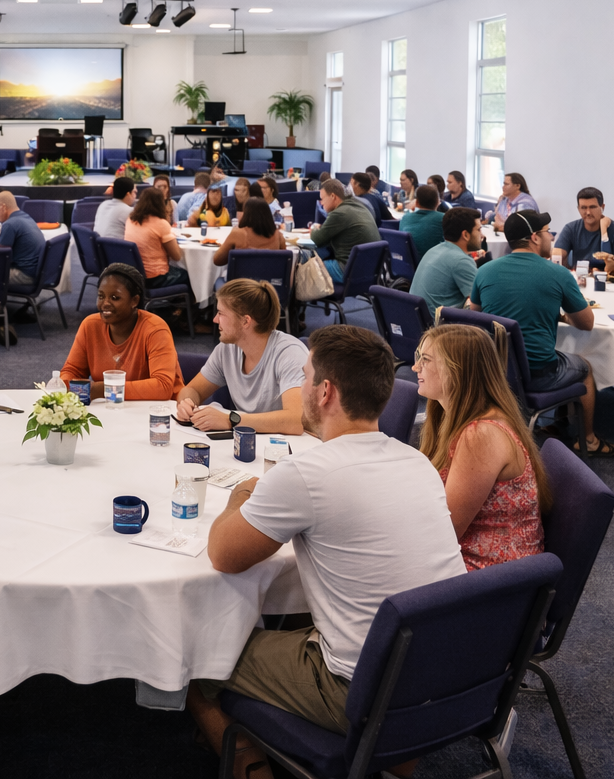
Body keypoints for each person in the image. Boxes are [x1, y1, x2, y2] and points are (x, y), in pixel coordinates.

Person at [186, 326, 465, 774]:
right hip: (446, 679)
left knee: (198, 651)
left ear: (326, 391)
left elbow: (223, 554)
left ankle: (251, 766)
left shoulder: (306, 473)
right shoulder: (417, 462)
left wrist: (240, 497)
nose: (300, 386)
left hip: (359, 690)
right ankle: (394, 761)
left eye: (304, 376)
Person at [470, 210, 610, 456]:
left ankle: (559, 424)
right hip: (537, 374)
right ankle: (588, 440)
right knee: (584, 367)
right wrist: (564, 316)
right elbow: (587, 323)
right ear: (534, 237)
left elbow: (477, 315)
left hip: (493, 370)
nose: (551, 237)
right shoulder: (558, 274)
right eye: (547, 232)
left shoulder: (484, 271)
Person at [413, 324, 551, 571]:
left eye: (426, 359)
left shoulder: (481, 435)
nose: (415, 367)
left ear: (456, 370)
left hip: (491, 574)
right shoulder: (449, 414)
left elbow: (446, 532)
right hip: (466, 557)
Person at [175, 280, 304, 435]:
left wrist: (231, 420)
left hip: (286, 445)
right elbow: (192, 389)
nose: (215, 320)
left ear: (245, 321)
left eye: (221, 313)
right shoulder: (227, 349)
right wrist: (187, 403)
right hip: (248, 440)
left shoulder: (289, 354)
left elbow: (297, 421)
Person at [60, 264, 182, 400]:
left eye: (114, 298)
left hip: (159, 409)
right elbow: (72, 371)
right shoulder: (90, 325)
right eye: (101, 296)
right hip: (111, 407)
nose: (105, 303)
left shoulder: (155, 329)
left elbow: (163, 387)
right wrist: (65, 385)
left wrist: (105, 390)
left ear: (134, 301)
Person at [411, 207, 483, 316]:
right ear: (465, 235)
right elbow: (481, 302)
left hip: (418, 319)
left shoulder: (434, 250)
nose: (482, 235)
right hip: (439, 324)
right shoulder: (461, 260)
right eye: (478, 230)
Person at [307, 178, 380, 283]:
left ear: (333, 196)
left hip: (347, 271)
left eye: (322, 199)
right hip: (369, 270)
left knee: (306, 267)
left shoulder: (339, 213)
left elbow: (316, 239)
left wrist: (313, 228)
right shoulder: (359, 206)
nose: (321, 203)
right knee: (322, 252)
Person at [553, 187, 614, 272]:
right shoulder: (570, 228)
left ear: (602, 207)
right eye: (583, 207)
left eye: (592, 207)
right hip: (580, 276)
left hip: (609, 277)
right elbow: (556, 255)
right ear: (578, 209)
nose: (588, 212)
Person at [125, 187, 187, 290]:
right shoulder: (161, 224)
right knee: (188, 275)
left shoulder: (130, 220)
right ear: (160, 204)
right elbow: (177, 256)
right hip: (155, 277)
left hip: (134, 275)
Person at [212, 197, 286, 267]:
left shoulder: (237, 234)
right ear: (268, 214)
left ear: (246, 214)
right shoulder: (278, 236)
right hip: (269, 276)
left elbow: (217, 260)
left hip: (242, 276)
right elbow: (284, 262)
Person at [0, 190, 44, 287]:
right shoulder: (27, 218)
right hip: (36, 272)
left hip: (24, 275)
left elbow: (0, 259)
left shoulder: (9, 224)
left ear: (2, 207)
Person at [398, 184, 445, 259]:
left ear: (416, 202)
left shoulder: (405, 218)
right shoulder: (443, 219)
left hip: (408, 263)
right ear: (438, 202)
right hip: (432, 262)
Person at [92, 175, 136, 240]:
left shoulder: (103, 205)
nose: (135, 196)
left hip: (98, 245)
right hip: (118, 246)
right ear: (128, 194)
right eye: (134, 192)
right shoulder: (129, 211)